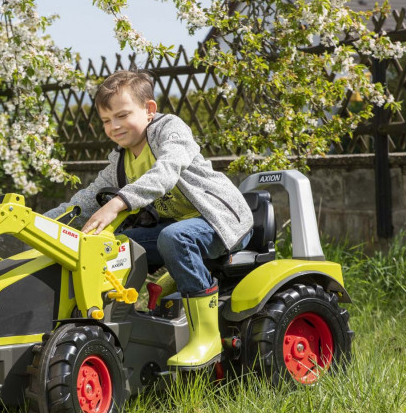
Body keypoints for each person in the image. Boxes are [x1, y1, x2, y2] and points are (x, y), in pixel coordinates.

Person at [45, 69, 254, 371]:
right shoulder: (121, 159)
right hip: (178, 227)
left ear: (149, 109)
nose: (114, 126)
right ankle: (118, 325)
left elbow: (166, 172)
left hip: (220, 221)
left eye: (122, 115)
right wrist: (46, 223)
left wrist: (119, 203)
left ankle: (206, 337)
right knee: (116, 246)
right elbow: (88, 199)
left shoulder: (171, 131)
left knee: (175, 237)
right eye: (106, 120)